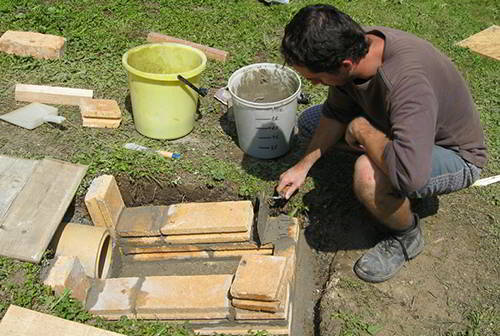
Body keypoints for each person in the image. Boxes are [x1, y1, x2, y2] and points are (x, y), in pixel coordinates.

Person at [276, 4, 487, 283]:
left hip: (454, 154)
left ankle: (405, 236)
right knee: (312, 122)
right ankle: (379, 160)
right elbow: (337, 112)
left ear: (345, 66)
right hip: (402, 129)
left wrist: (361, 129)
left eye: (316, 78)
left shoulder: (408, 85)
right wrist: (303, 167)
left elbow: (410, 175)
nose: (314, 84)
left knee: (368, 175)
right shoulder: (350, 45)